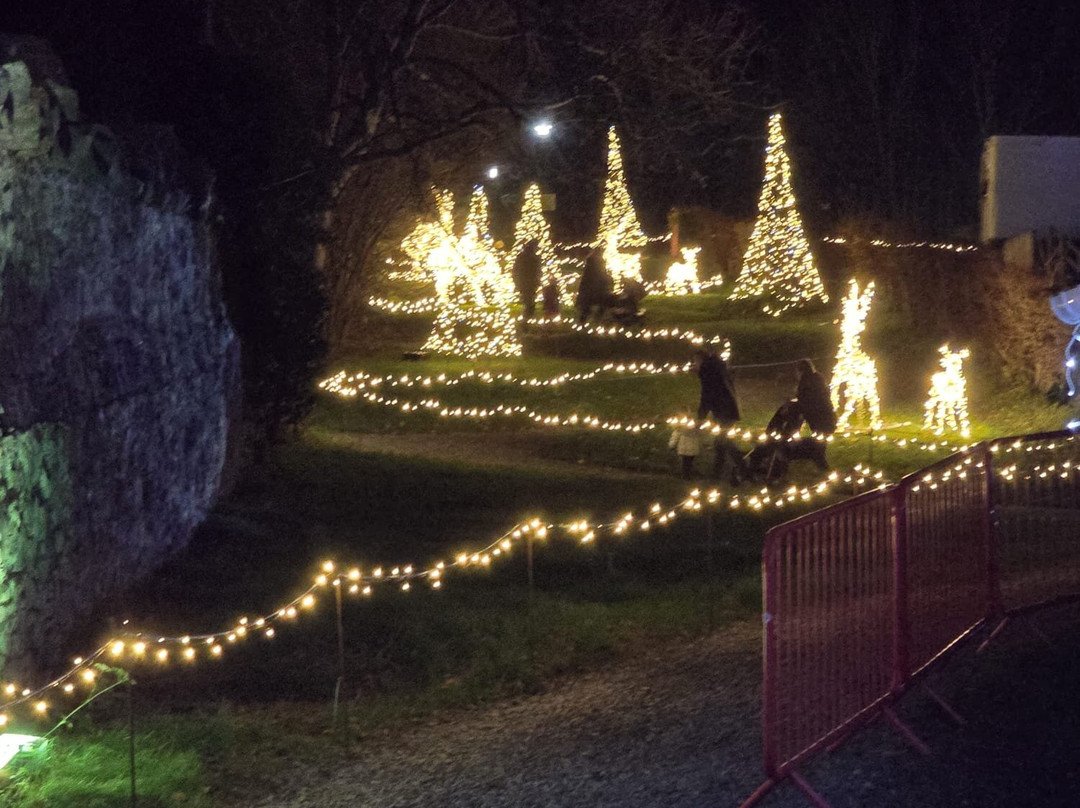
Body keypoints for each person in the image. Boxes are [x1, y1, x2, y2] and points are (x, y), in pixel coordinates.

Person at [694, 348, 747, 485]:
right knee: (720, 443)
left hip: (724, 410)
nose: (695, 364)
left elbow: (707, 395)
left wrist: (700, 417)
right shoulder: (717, 367)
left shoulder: (707, 371)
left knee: (726, 441)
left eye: (696, 361)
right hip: (727, 408)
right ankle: (717, 473)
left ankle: (745, 470)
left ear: (700, 359)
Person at [576, 247, 613, 324]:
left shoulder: (591, 261)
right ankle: (594, 320)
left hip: (591, 287)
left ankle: (585, 321)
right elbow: (600, 274)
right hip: (595, 287)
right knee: (598, 303)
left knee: (588, 305)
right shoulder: (597, 261)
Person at [512, 239, 542, 321]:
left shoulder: (523, 257)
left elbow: (515, 270)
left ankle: (527, 316)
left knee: (528, 298)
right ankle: (527, 316)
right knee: (529, 299)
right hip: (528, 282)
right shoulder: (533, 258)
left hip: (526, 282)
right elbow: (537, 271)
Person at [668, 407, 702, 479]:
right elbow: (699, 434)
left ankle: (685, 475)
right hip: (692, 447)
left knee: (685, 462)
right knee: (688, 462)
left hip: (684, 447)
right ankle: (687, 474)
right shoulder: (695, 425)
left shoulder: (680, 426)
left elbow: (676, 435)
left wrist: (672, 444)